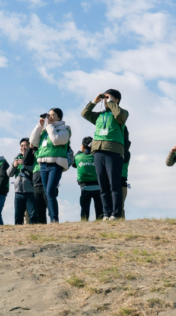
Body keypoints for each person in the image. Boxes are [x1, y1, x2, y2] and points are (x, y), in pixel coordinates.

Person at [81, 89, 129, 220]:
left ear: (116, 100)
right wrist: (94, 102)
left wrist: (111, 102)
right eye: (104, 98)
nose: (105, 100)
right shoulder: (99, 116)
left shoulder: (122, 113)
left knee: (114, 183)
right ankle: (106, 213)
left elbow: (119, 115)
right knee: (103, 184)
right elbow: (84, 113)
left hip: (113, 151)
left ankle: (116, 213)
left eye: (108, 97)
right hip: (98, 151)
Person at [30, 108, 72, 223]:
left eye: (53, 115)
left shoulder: (65, 129)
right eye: (48, 115)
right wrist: (40, 126)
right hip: (43, 164)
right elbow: (33, 142)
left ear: (59, 117)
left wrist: (49, 126)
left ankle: (54, 219)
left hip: (56, 164)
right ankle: (53, 219)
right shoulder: (45, 130)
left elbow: (56, 140)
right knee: (47, 191)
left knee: (50, 191)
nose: (50, 117)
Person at [9, 139, 36, 224]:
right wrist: (14, 166)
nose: (23, 147)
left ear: (29, 147)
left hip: (30, 191)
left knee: (32, 215)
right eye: (21, 146)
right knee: (18, 216)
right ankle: (18, 235)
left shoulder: (33, 157)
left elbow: (36, 170)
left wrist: (24, 166)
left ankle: (34, 232)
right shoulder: (16, 158)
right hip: (18, 192)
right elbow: (9, 174)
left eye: (25, 145)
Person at [74, 138, 102, 221]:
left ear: (82, 146)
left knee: (84, 211)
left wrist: (79, 152)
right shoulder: (97, 156)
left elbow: (73, 164)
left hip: (85, 187)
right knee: (100, 211)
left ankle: (84, 223)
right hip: (98, 187)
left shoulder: (78, 157)